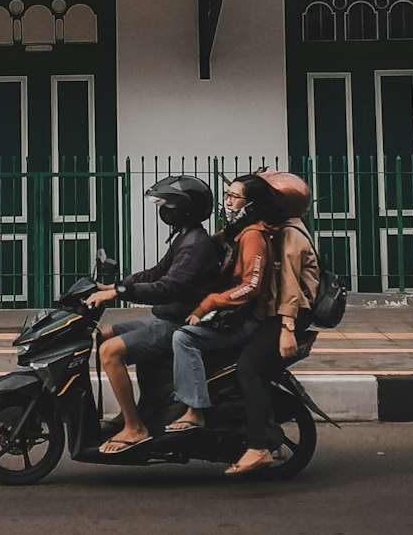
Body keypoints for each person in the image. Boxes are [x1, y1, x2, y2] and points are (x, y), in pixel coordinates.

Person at [84, 175, 218, 455]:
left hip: (177, 322)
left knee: (110, 352)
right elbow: (156, 273)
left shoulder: (195, 243)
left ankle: (134, 428)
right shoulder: (185, 235)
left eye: (168, 204)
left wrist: (119, 293)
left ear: (185, 208)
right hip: (165, 317)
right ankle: (140, 410)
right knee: (105, 334)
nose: (163, 209)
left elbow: (169, 287)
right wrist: (114, 286)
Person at [167, 174, 282, 436]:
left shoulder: (254, 236)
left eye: (234, 197)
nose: (228, 202)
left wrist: (207, 304)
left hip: (247, 319)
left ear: (250, 205)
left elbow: (251, 286)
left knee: (183, 339)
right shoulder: (238, 233)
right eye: (227, 196)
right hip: (234, 314)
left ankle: (195, 411)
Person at [225, 170, 320, 476]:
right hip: (275, 310)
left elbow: (290, 285)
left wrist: (287, 329)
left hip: (291, 312)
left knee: (248, 369)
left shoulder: (291, 234)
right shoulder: (278, 227)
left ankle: (257, 448)